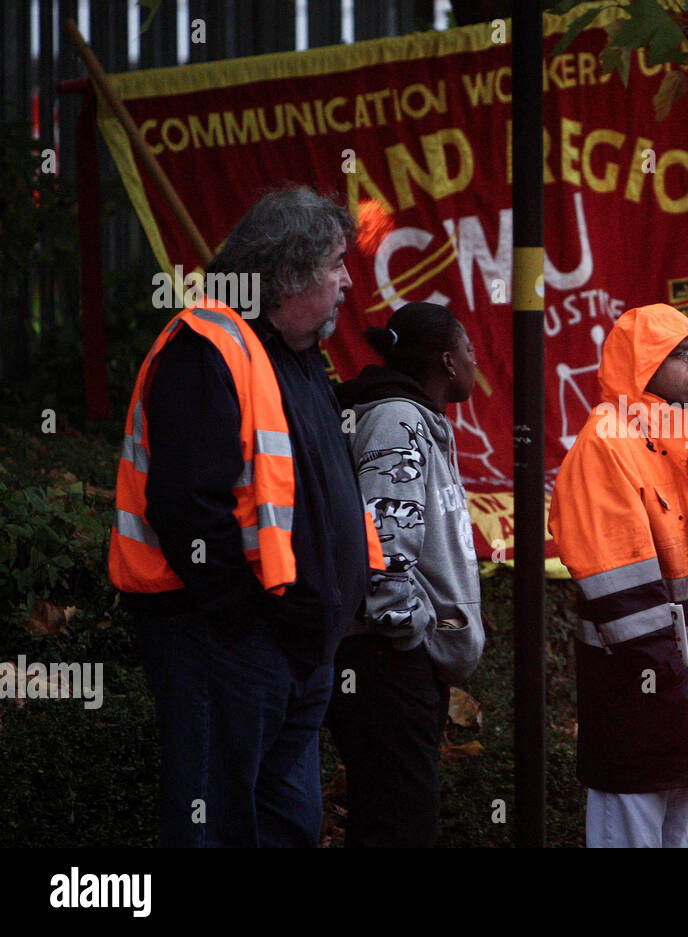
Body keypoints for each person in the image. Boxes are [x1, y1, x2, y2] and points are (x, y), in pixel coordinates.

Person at [110, 187, 385, 847]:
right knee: (218, 824)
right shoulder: (206, 347)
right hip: (226, 641)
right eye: (334, 265)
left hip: (283, 647)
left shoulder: (292, 354)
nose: (348, 280)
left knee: (283, 824)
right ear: (287, 276)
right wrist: (241, 618)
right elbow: (184, 507)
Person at [548, 303, 688, 848]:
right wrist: (676, 677)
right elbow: (620, 587)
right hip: (636, 698)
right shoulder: (606, 447)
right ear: (643, 367)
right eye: (679, 353)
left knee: (685, 837)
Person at [328, 302, 486, 847]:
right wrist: (410, 637)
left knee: (391, 818)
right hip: (385, 662)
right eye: (468, 348)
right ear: (446, 360)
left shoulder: (413, 417)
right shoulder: (396, 418)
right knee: (399, 825)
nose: (475, 359)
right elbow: (385, 543)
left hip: (396, 664)